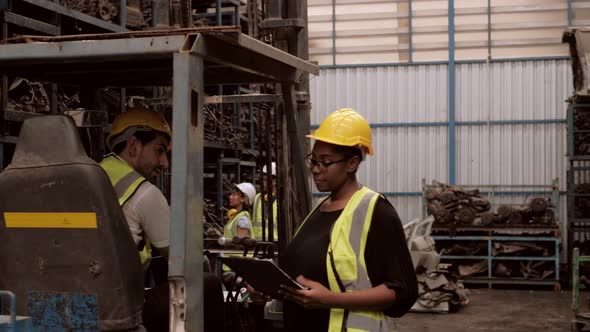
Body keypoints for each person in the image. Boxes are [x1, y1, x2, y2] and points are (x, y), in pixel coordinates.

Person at [279, 108, 418, 332]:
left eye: (325, 162)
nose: (315, 169)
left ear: (352, 163)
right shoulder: (320, 210)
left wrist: (329, 299)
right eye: (313, 161)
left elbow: (403, 291)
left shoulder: (376, 212)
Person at [100, 107, 172, 331]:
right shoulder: (144, 193)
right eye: (159, 151)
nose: (165, 163)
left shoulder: (89, 177)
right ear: (133, 146)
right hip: (116, 311)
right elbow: (183, 260)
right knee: (207, 284)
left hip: (67, 308)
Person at [252, 162, 278, 241]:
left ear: (274, 181)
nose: (262, 182)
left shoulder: (282, 200)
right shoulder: (257, 198)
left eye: (264, 179)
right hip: (258, 245)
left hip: (276, 245)